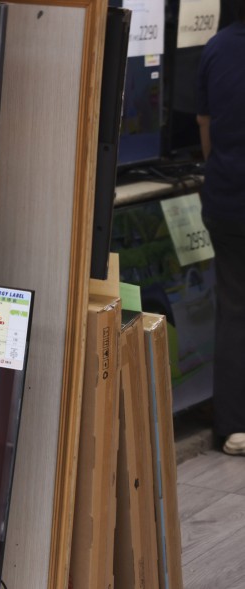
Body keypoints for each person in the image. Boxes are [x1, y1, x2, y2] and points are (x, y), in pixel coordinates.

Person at [196, 0, 245, 455]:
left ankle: (232, 428)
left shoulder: (215, 48)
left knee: (234, 310)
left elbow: (206, 129)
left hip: (227, 200)